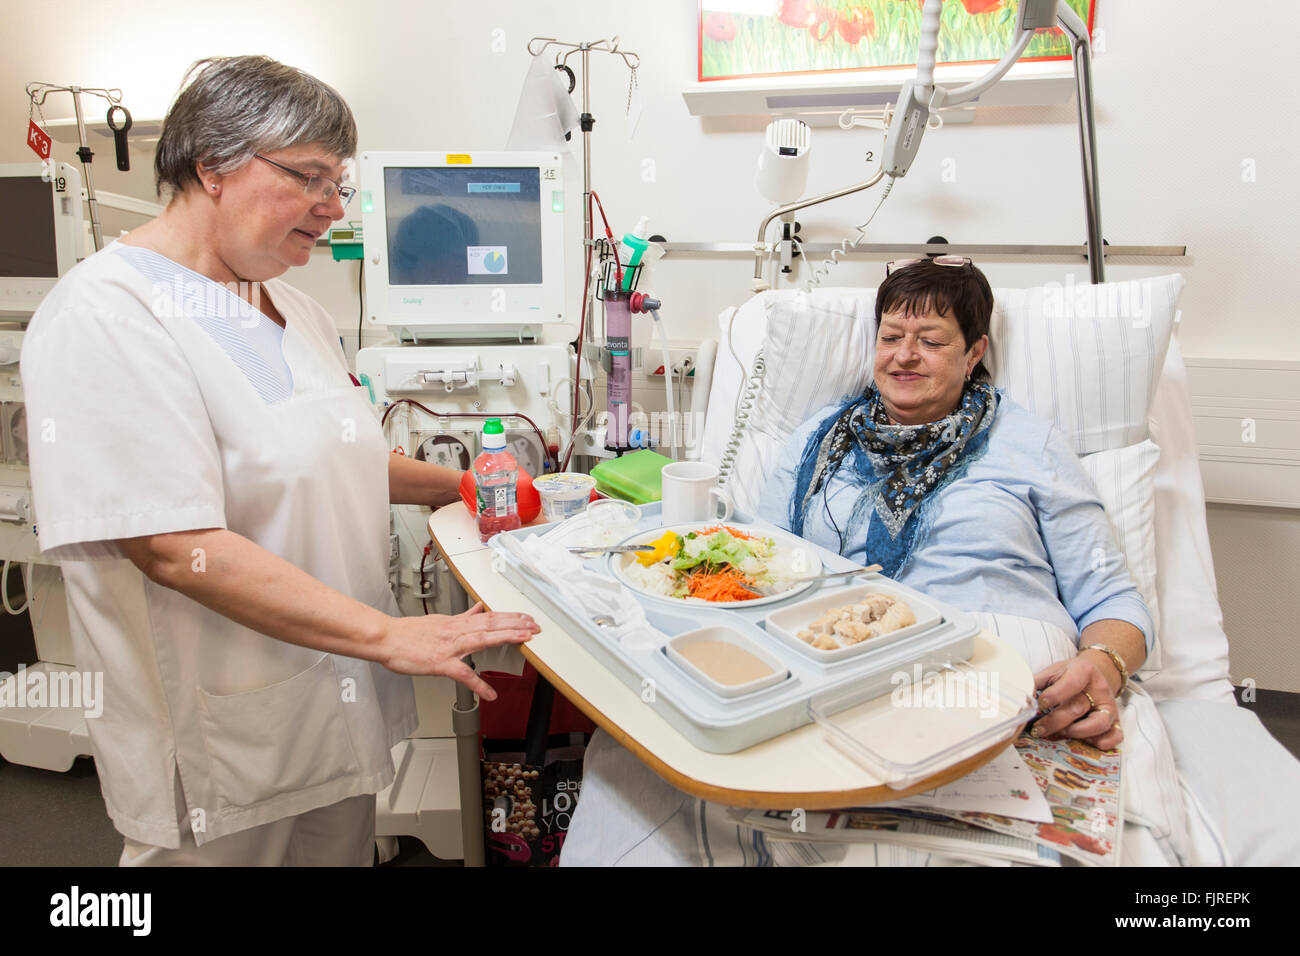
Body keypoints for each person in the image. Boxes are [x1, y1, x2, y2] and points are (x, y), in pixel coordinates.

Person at [20, 55, 540, 866]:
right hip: (220, 731)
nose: (334, 207)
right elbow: (168, 545)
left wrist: (465, 484)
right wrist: (388, 635)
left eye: (339, 184)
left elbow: (338, 453)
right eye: (310, 178)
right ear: (212, 165)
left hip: (334, 695)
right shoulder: (107, 316)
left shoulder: (290, 305)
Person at [561, 256, 1151, 865]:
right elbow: (761, 555)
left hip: (996, 660)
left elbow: (1113, 601)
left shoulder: (1031, 446)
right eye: (891, 337)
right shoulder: (822, 437)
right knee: (669, 782)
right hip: (833, 659)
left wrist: (1103, 665)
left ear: (974, 354)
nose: (904, 356)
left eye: (931, 341)